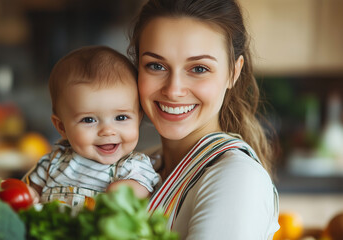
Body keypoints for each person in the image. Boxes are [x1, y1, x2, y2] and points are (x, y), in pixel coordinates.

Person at [127, 0, 280, 239]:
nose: (173, 89)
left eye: (199, 68)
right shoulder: (145, 164)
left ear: (233, 72)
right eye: (156, 65)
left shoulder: (237, 179)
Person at [23, 46, 160, 210]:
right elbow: (29, 192)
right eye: (89, 120)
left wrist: (125, 190)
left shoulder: (131, 166)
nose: (107, 131)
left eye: (121, 117)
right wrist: (30, 195)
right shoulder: (52, 163)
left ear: (138, 118)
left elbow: (144, 191)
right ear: (62, 127)